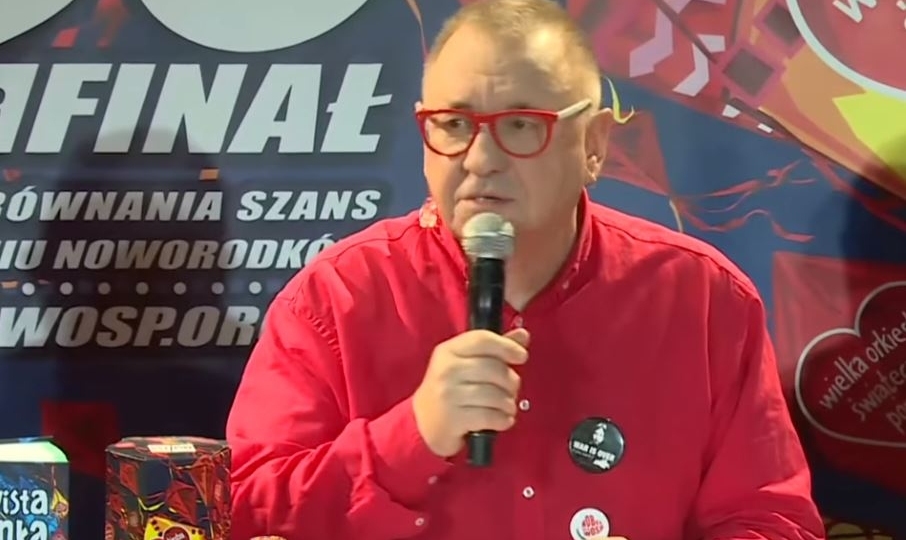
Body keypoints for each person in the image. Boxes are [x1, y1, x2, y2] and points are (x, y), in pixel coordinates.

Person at [225, 1, 825, 539]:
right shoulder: (334, 299)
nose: (481, 159)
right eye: (454, 125)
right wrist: (411, 436)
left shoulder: (704, 300)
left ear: (593, 144)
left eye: (521, 125)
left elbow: (772, 520)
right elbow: (244, 510)